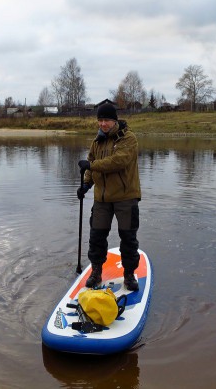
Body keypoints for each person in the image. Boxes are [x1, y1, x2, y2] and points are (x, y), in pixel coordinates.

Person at [77, 102, 142, 291]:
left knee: (128, 238)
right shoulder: (97, 141)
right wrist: (86, 184)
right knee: (96, 237)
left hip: (125, 198)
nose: (103, 124)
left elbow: (117, 162)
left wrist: (91, 166)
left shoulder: (128, 139)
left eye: (106, 120)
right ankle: (96, 273)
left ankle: (129, 275)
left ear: (114, 121)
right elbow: (90, 163)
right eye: (100, 120)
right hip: (102, 200)